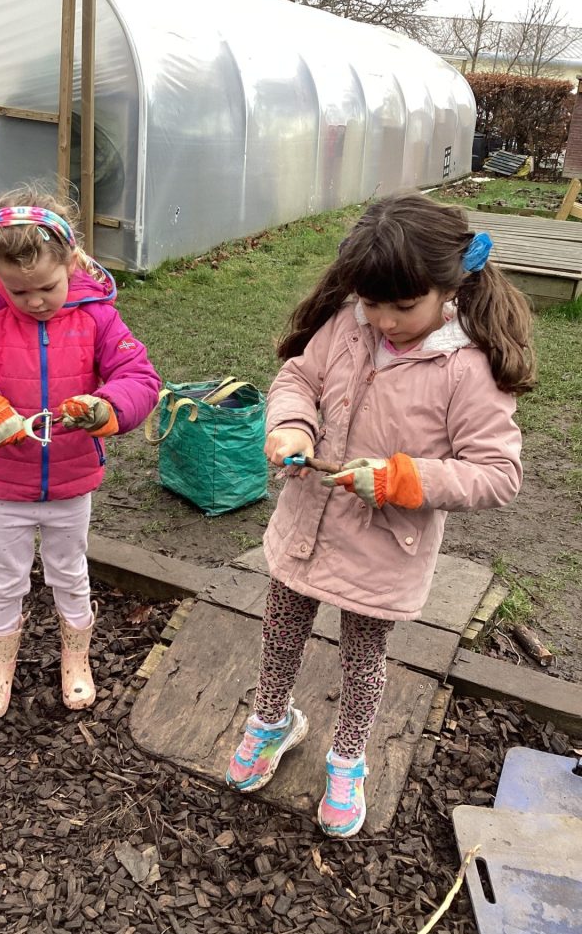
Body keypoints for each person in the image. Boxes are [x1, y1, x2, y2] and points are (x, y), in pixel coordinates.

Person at [225, 190, 536, 838]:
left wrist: (402, 479)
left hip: (383, 550)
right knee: (279, 632)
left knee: (363, 659)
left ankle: (348, 758)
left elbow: (497, 474)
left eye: (403, 306)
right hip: (306, 526)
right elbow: (299, 379)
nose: (385, 321)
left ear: (450, 287)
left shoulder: (467, 369)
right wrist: (292, 426)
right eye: (372, 303)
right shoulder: (347, 325)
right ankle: (272, 720)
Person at [0, 187, 160, 718]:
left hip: (71, 480)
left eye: (48, 286)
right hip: (3, 483)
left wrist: (106, 407)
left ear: (72, 262)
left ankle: (76, 656)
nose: (36, 301)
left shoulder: (97, 317)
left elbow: (138, 376)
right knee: (5, 576)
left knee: (70, 570)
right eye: (18, 291)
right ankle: (0, 662)